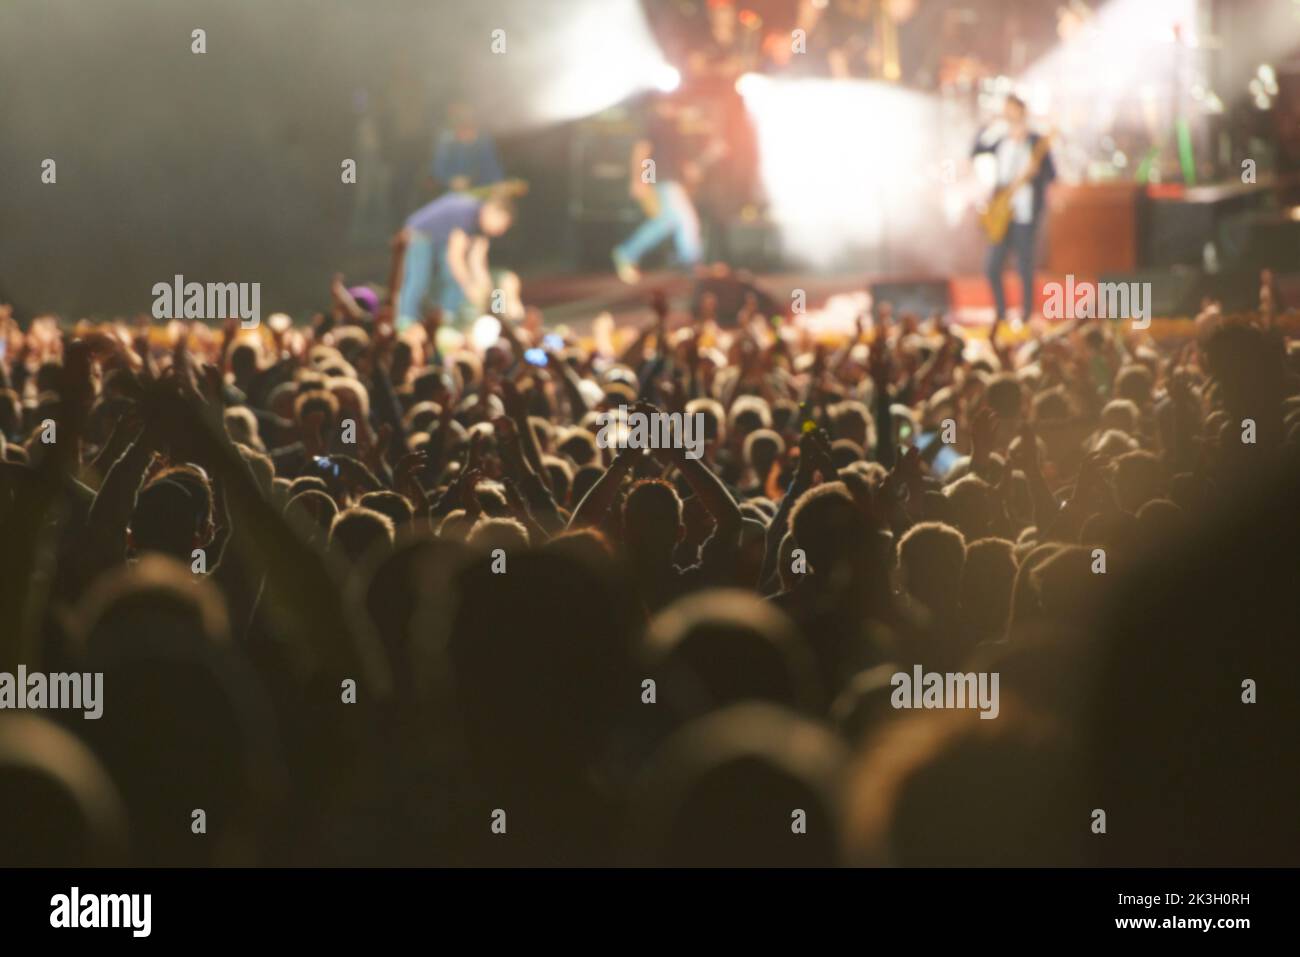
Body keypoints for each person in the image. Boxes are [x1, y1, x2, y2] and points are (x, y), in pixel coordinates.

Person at [972, 94, 1056, 326]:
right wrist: (989, 124)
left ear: (1022, 110)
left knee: (1024, 266)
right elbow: (975, 150)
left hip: (1024, 213)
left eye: (1013, 109)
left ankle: (1026, 315)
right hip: (1001, 212)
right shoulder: (1000, 139)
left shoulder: (1035, 142)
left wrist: (1035, 172)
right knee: (992, 266)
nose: (1009, 113)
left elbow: (1052, 174)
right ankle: (1001, 313)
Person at [612, 93, 703, 285]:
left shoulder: (673, 127)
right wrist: (643, 180)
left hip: (669, 180)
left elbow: (673, 156)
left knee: (667, 222)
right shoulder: (655, 124)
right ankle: (691, 262)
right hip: (662, 180)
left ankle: (628, 252)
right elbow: (642, 152)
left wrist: (686, 170)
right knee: (686, 220)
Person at [396, 190, 514, 329]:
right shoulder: (467, 213)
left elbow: (477, 263)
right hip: (419, 233)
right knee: (419, 279)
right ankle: (405, 321)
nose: (500, 231)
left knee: (453, 280)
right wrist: (470, 287)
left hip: (441, 240)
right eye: (502, 225)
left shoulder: (481, 227)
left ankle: (445, 322)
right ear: (491, 211)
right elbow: (455, 259)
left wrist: (488, 292)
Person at [431, 101, 504, 195]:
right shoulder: (446, 140)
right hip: (453, 194)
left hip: (481, 192)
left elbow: (492, 168)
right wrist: (452, 180)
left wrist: (498, 184)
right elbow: (438, 169)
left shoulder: (483, 139)